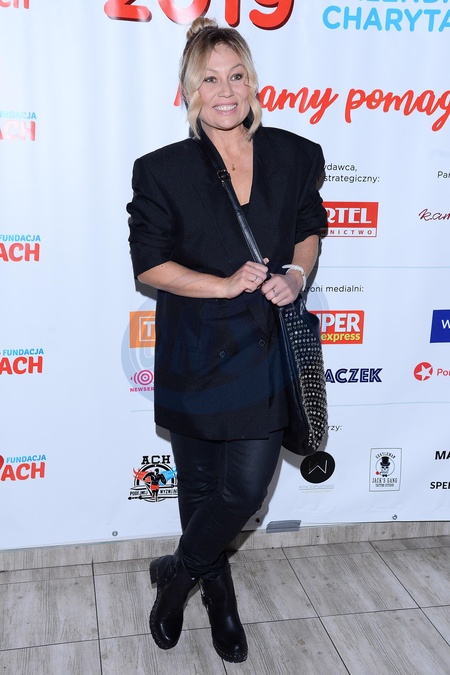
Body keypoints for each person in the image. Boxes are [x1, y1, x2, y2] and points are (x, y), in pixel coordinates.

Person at [127, 17, 327, 663]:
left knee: (242, 490)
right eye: (210, 79)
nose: (225, 91)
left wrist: (296, 274)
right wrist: (220, 284)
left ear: (252, 82)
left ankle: (179, 576)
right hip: (194, 348)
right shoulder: (162, 170)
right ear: (191, 91)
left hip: (265, 351)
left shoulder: (295, 155)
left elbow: (308, 228)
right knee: (198, 483)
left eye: (236, 76)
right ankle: (218, 592)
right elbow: (150, 264)